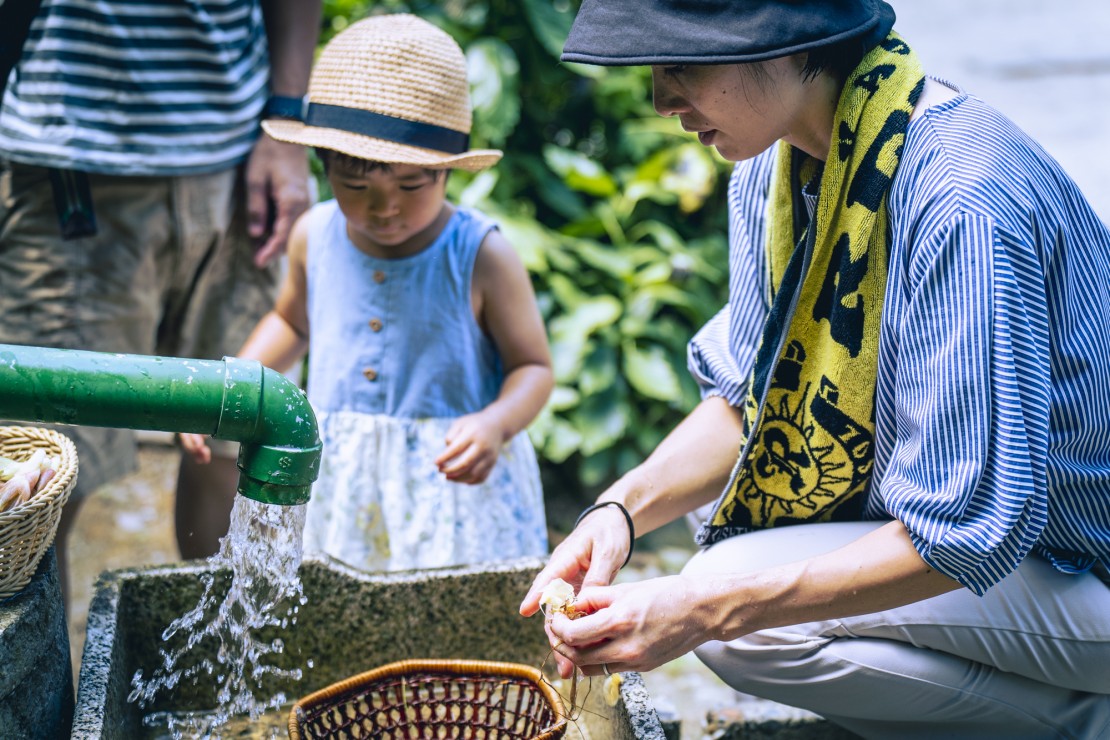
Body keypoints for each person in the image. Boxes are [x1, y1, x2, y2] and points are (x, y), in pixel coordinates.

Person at [519, 1, 1110, 736]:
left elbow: (965, 530)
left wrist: (705, 610)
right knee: (729, 552)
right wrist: (617, 514)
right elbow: (747, 403)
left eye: (683, 66)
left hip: (1084, 562)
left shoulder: (961, 197)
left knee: (732, 608)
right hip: (1024, 562)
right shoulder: (775, 170)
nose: (663, 100)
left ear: (790, 44)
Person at [180, 14, 554, 572]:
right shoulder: (314, 235)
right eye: (355, 186)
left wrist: (496, 424)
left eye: (410, 184)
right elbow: (292, 323)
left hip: (450, 487)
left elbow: (534, 368)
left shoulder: (481, 255)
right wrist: (227, 394)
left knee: (448, 608)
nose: (385, 208)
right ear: (325, 167)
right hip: (345, 479)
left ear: (446, 172)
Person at [0, 0, 321, 601]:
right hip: (71, 168)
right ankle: (42, 666)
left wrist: (286, 123)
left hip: (239, 166)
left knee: (229, 455)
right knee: (38, 480)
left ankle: (221, 657)